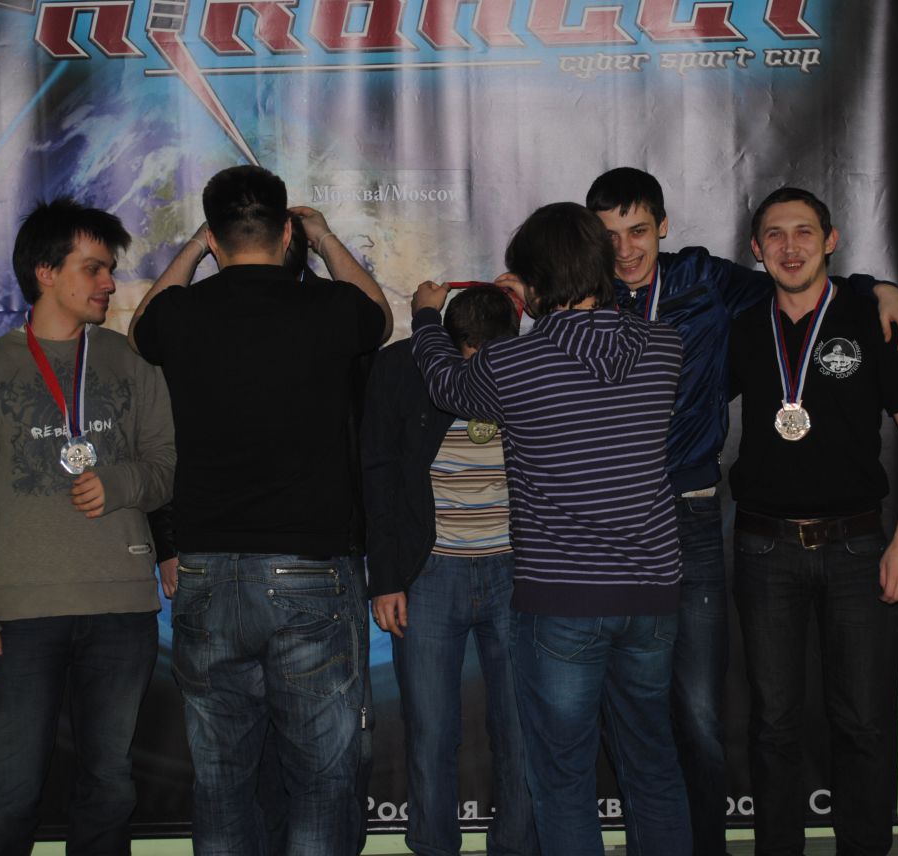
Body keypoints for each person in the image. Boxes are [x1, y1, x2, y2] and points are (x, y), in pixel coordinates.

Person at [584, 167, 898, 856]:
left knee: (720, 714)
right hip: (622, 523)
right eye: (610, 235)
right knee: (667, 713)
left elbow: (800, 283)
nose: (626, 248)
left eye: (639, 230)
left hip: (713, 518)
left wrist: (878, 287)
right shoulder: (583, 299)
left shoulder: (706, 283)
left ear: (663, 227)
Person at [410, 202, 690, 856]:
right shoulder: (664, 348)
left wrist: (426, 317)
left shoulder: (512, 365)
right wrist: (540, 299)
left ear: (535, 284)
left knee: (563, 781)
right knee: (652, 764)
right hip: (651, 595)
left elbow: (447, 383)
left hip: (562, 601)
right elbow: (595, 345)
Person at [129, 164, 392, 855]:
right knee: (321, 780)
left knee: (221, 781)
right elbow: (381, 317)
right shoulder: (327, 308)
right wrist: (325, 238)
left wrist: (195, 245)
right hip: (308, 570)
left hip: (207, 572)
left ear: (216, 239)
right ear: (286, 234)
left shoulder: (184, 315)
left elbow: (141, 327)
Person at [0, 198, 175, 854]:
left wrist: (121, 483)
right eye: (94, 268)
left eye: (110, 269)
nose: (109, 283)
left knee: (110, 785)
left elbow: (167, 469)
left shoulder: (132, 362)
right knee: (12, 787)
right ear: (46, 272)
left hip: (121, 610)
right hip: (20, 614)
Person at [727, 187, 898, 856]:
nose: (790, 247)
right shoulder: (741, 327)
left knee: (864, 724)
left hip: (858, 547)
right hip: (764, 549)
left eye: (804, 232)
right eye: (775, 235)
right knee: (773, 726)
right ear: (756, 249)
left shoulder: (875, 321)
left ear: (831, 240)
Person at [363, 285, 536, 856]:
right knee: (431, 732)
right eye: (468, 356)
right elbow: (378, 474)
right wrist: (386, 579)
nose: (478, 370)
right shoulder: (401, 367)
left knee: (520, 731)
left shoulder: (533, 362)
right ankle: (434, 846)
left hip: (516, 572)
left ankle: (516, 846)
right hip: (429, 571)